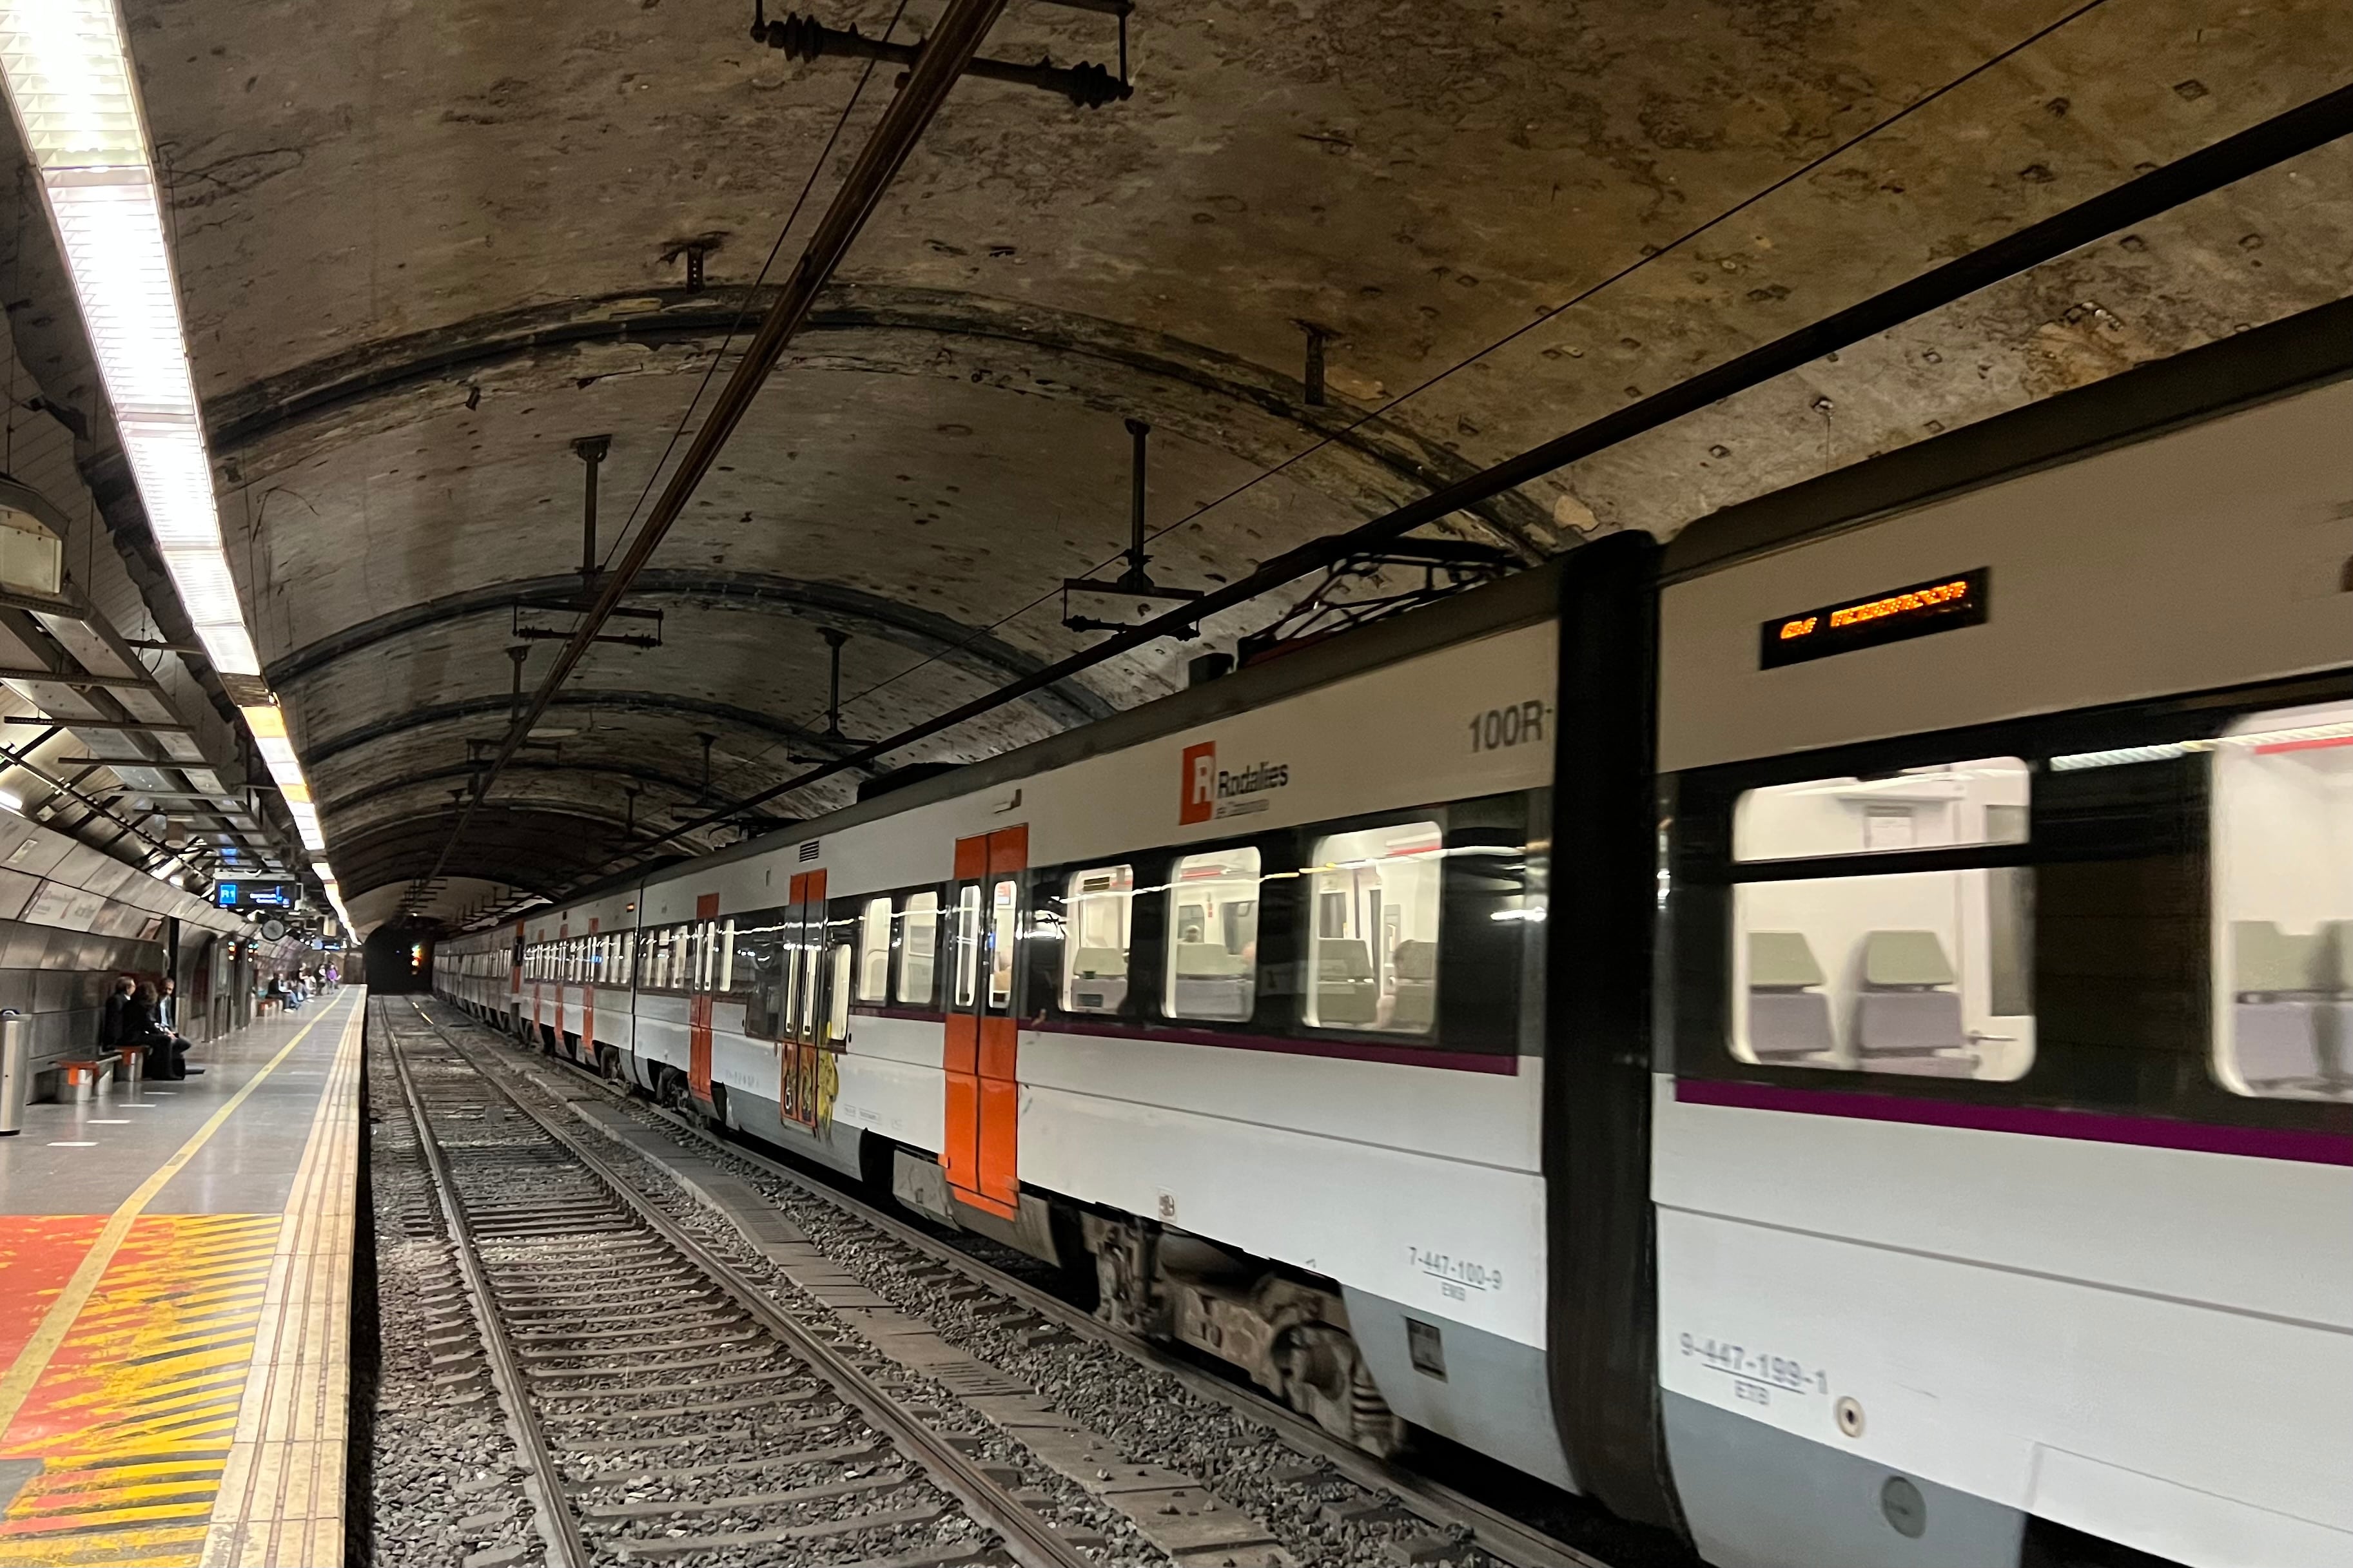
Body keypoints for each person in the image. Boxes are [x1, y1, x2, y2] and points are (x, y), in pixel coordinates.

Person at [126, 982, 186, 1081]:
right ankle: (165, 1071)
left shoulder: (135, 1004)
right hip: (134, 1036)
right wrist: (163, 1033)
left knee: (170, 1040)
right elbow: (149, 1024)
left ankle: (160, 1067)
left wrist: (165, 1032)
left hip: (137, 1034)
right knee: (166, 1040)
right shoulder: (141, 1007)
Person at [158, 978, 202, 1077]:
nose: (167, 992)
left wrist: (172, 1030)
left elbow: (168, 1017)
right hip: (160, 1031)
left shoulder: (168, 1000)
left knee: (186, 1043)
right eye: (165, 989)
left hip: (168, 1030)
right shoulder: (155, 1000)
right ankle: (167, 1068)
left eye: (170, 990)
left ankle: (171, 1059)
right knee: (169, 1042)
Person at [99, 974, 133, 1055]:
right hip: (116, 1039)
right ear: (128, 988)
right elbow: (115, 1021)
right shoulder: (116, 1000)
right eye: (134, 986)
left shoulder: (127, 1000)